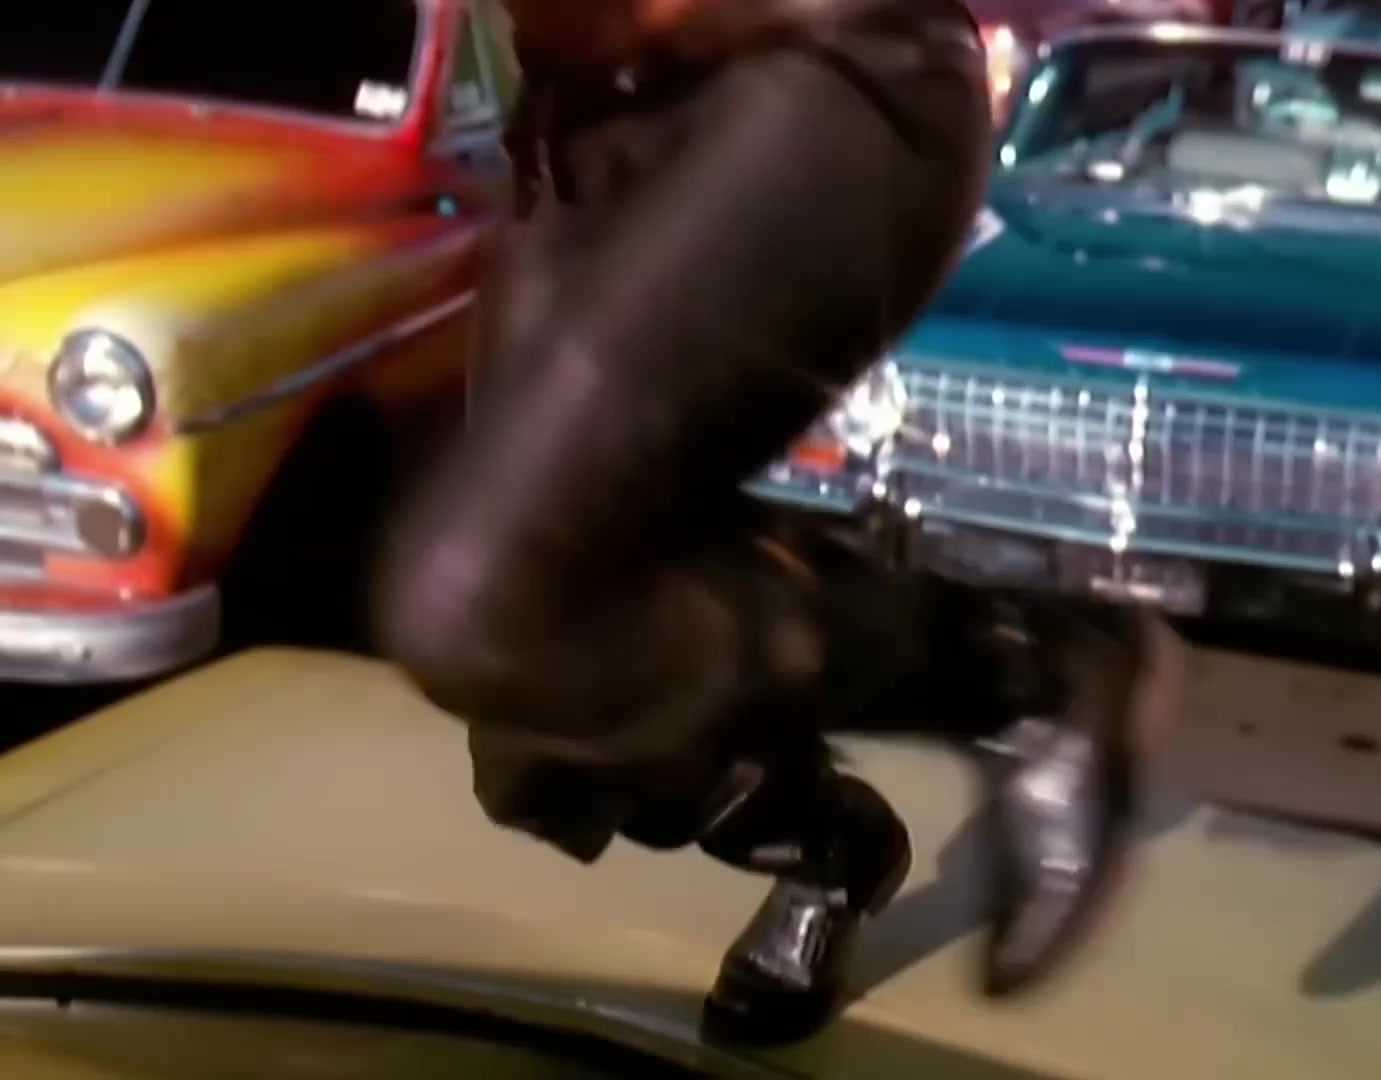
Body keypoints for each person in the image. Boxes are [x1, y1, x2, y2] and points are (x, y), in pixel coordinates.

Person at [373, 0, 1184, 1048]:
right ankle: (829, 843)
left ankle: (1028, 664)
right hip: (580, 125)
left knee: (478, 609)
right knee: (536, 750)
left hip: (812, 63)